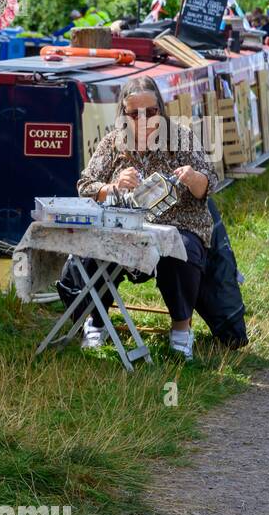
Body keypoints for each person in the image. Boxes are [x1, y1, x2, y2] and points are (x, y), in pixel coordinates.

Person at [67, 76, 216, 361]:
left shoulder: (181, 137)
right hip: (125, 227)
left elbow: (209, 184)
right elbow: (85, 185)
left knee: (180, 250)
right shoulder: (113, 142)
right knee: (91, 253)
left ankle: (181, 330)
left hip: (178, 224)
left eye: (151, 111)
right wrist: (112, 187)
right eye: (134, 113)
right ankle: (95, 322)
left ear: (161, 109)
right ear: (124, 114)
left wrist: (194, 178)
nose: (143, 119)